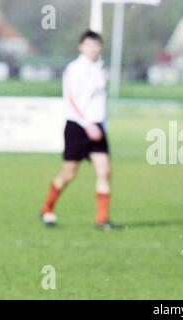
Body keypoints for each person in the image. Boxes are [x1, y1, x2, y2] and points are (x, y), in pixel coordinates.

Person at [39, 30, 121, 230]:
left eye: (97, 44)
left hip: (98, 127)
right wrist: (87, 123)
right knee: (68, 173)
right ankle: (47, 208)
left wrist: (101, 123)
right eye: (89, 44)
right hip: (78, 127)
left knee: (105, 170)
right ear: (81, 46)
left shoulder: (100, 69)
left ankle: (102, 220)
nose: (94, 48)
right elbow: (72, 100)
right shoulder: (75, 69)